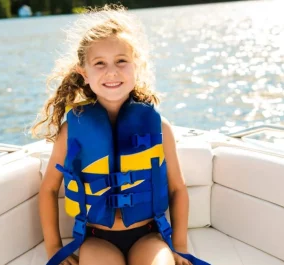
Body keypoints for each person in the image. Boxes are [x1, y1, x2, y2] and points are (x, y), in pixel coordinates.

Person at [30, 4, 210, 265]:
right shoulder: (71, 131)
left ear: (136, 66)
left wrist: (179, 247)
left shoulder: (161, 128)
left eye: (121, 61)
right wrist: (55, 248)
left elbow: (177, 188)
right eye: (99, 63)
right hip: (96, 238)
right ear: (84, 73)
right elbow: (48, 189)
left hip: (148, 235)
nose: (111, 72)